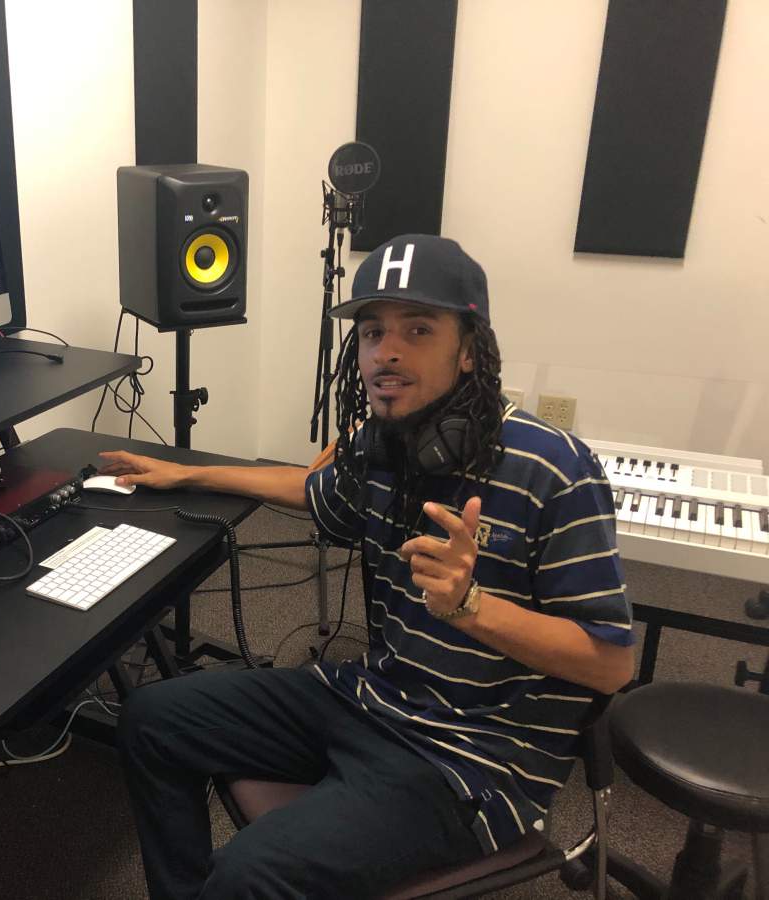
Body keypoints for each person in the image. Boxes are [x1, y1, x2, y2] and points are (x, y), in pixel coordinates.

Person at [103, 234, 634, 900]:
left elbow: (612, 664)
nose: (387, 350)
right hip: (370, 696)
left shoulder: (553, 468)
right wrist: (190, 473)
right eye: (373, 332)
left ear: (469, 349)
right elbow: (311, 489)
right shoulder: (383, 446)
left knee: (247, 873)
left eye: (418, 329)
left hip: (471, 760)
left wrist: (472, 606)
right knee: (152, 719)